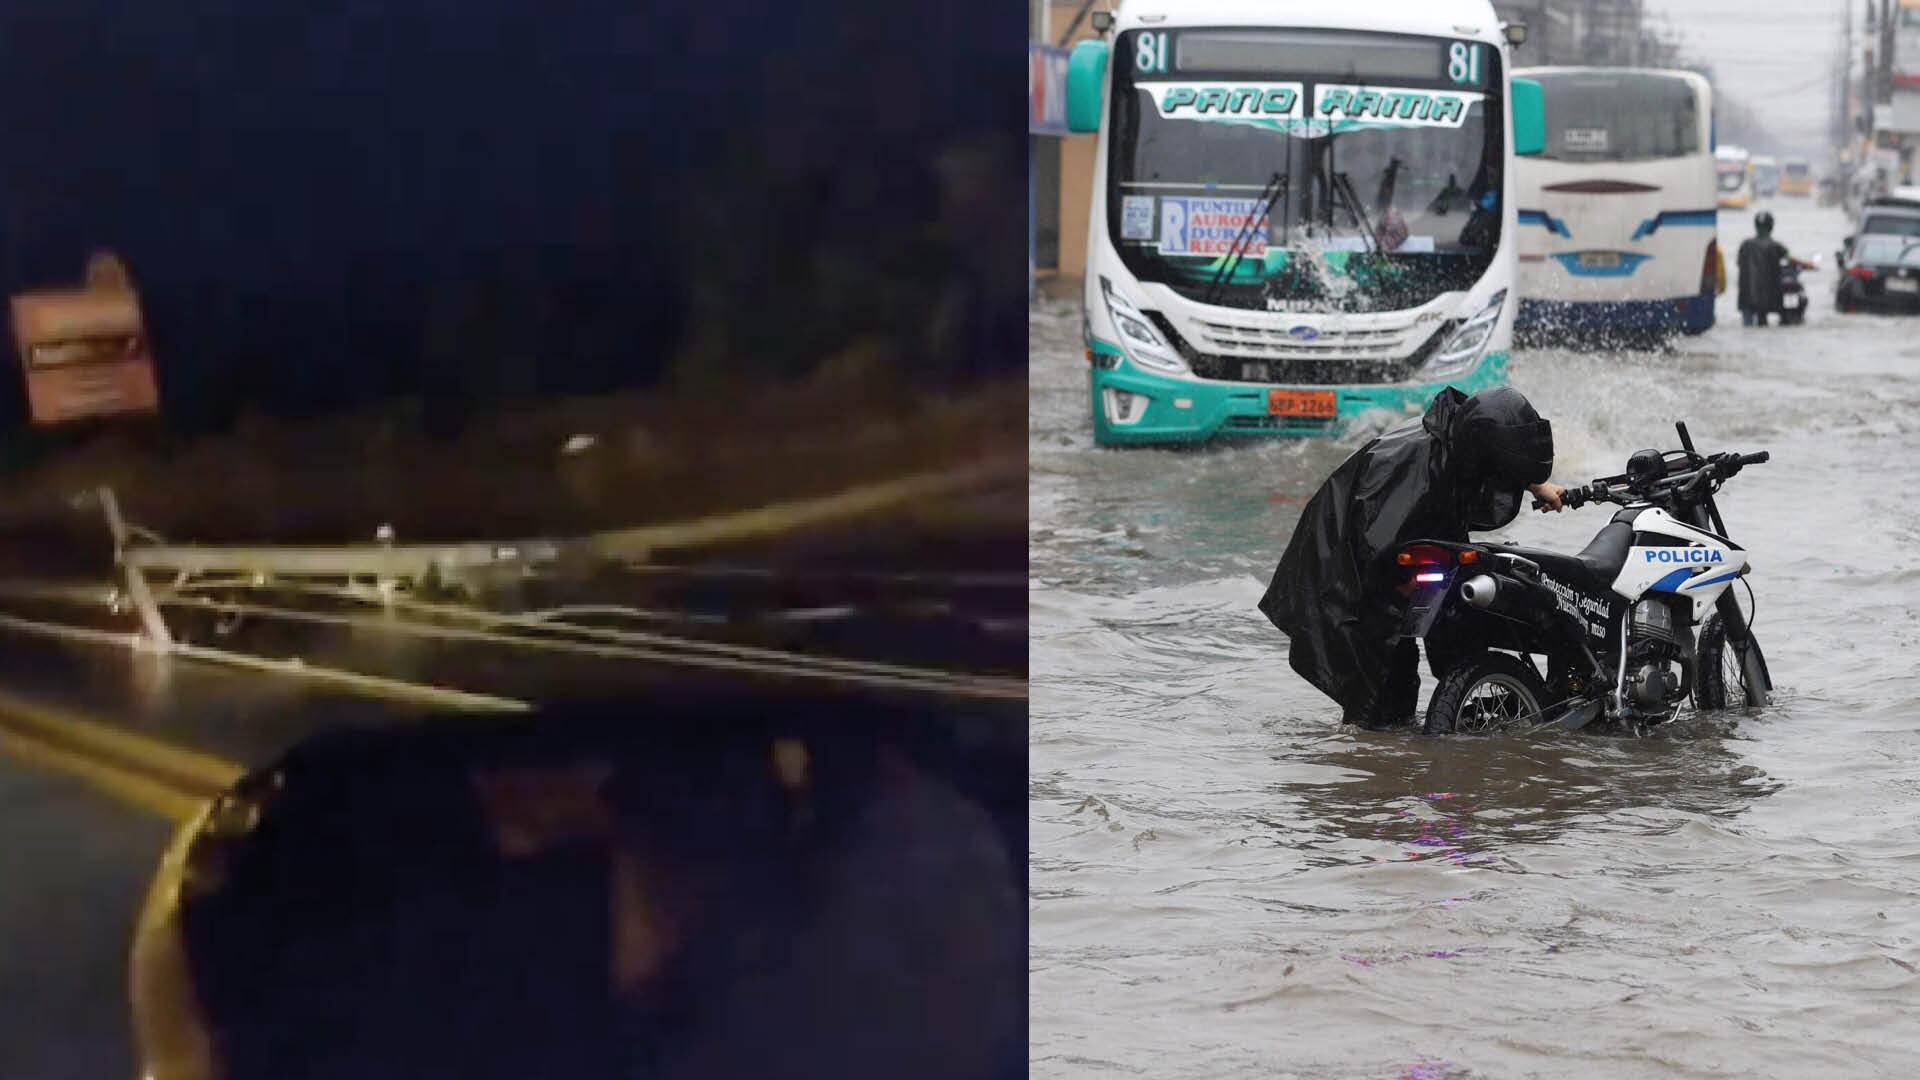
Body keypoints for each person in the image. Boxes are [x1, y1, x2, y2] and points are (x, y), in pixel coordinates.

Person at [1257, 386, 1565, 729]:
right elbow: (1378, 558)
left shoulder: (1459, 437)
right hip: (1347, 558)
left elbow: (1494, 459)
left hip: (1402, 540)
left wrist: (1535, 485)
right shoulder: (1410, 475)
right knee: (1380, 683)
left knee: (1451, 621)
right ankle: (1368, 766)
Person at [1736, 211, 1815, 326]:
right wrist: (1808, 265)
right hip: (1767, 296)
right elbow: (1790, 259)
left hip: (1746, 297)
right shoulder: (1775, 246)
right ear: (1771, 227)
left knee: (1748, 324)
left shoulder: (1745, 245)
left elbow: (1739, 263)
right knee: (1764, 322)